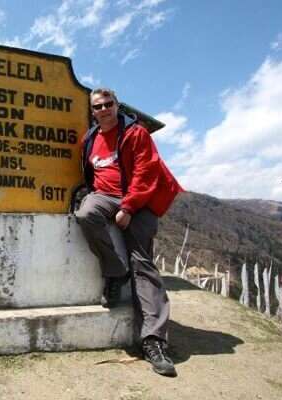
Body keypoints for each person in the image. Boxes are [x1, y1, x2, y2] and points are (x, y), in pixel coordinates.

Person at [74, 88, 183, 377]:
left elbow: (146, 173)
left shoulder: (136, 133)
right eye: (98, 106)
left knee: (143, 265)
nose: (104, 109)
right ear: (93, 111)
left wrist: (130, 208)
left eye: (109, 104)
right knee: (86, 213)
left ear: (117, 105)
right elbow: (89, 174)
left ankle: (154, 341)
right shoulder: (90, 139)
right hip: (104, 195)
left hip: (139, 199)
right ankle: (114, 270)